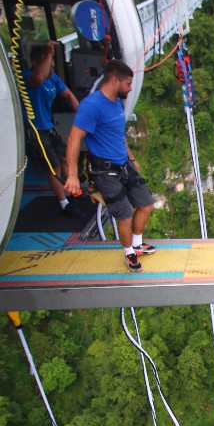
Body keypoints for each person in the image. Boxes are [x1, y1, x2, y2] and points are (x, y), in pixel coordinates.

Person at [65, 60, 156, 272]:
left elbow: (118, 134)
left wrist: (132, 159)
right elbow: (73, 139)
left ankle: (137, 243)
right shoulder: (92, 106)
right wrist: (72, 175)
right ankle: (130, 254)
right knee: (124, 215)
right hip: (105, 171)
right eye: (128, 84)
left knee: (147, 204)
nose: (130, 88)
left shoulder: (117, 102)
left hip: (124, 164)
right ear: (115, 81)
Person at [23, 41, 81, 217]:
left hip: (49, 127)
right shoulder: (29, 78)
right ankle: (64, 204)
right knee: (54, 167)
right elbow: (38, 78)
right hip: (36, 131)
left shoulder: (53, 79)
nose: (52, 68)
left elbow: (69, 96)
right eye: (49, 64)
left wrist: (83, 118)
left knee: (66, 158)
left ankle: (73, 189)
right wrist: (48, 53)